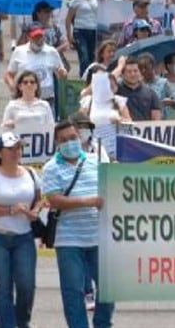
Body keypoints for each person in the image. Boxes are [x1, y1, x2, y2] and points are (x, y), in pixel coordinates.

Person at [42, 121, 114, 328]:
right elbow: (54, 200)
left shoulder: (96, 161)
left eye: (72, 138)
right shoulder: (51, 168)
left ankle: (102, 323)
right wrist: (88, 201)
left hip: (99, 237)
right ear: (57, 143)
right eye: (63, 140)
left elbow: (110, 188)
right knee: (73, 290)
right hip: (69, 239)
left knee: (108, 288)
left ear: (80, 137)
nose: (69, 143)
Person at [0, 132, 42, 328]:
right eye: (10, 149)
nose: (16, 152)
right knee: (3, 287)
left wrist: (35, 211)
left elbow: (40, 199)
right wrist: (10, 210)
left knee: (26, 285)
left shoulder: (30, 173)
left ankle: (22, 322)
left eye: (18, 148)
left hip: (23, 237)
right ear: (0, 152)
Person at [66, 0, 99, 78]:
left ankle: (91, 78)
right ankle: (84, 77)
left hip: (93, 30)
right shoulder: (76, 0)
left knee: (92, 56)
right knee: (84, 56)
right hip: (80, 30)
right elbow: (68, 18)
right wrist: (69, 35)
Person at [113, 55, 163, 121]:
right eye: (129, 71)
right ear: (122, 74)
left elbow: (156, 119)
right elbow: (105, 84)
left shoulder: (150, 93)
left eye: (135, 71)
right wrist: (120, 67)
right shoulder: (116, 90)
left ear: (140, 72)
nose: (133, 74)